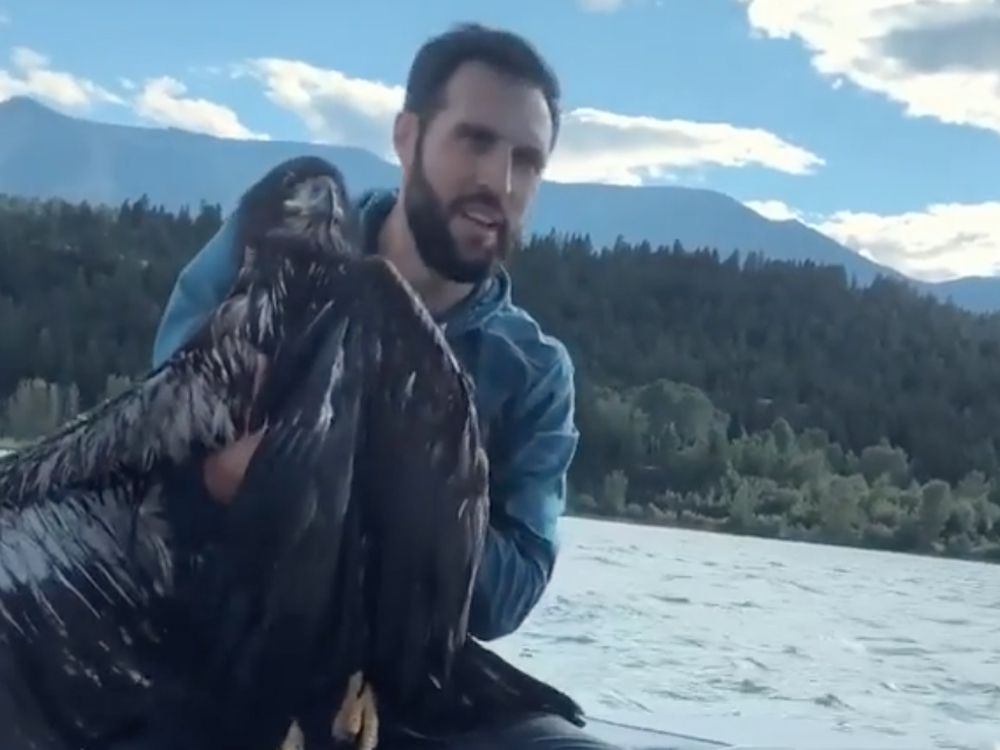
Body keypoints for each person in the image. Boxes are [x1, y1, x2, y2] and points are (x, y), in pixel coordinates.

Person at [150, 22, 617, 750]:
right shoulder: (273, 247)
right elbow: (160, 441)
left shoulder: (534, 373)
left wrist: (369, 469)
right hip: (196, 648)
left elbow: (510, 592)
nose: (500, 182)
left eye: (528, 160)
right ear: (407, 137)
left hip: (401, 692)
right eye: (475, 140)